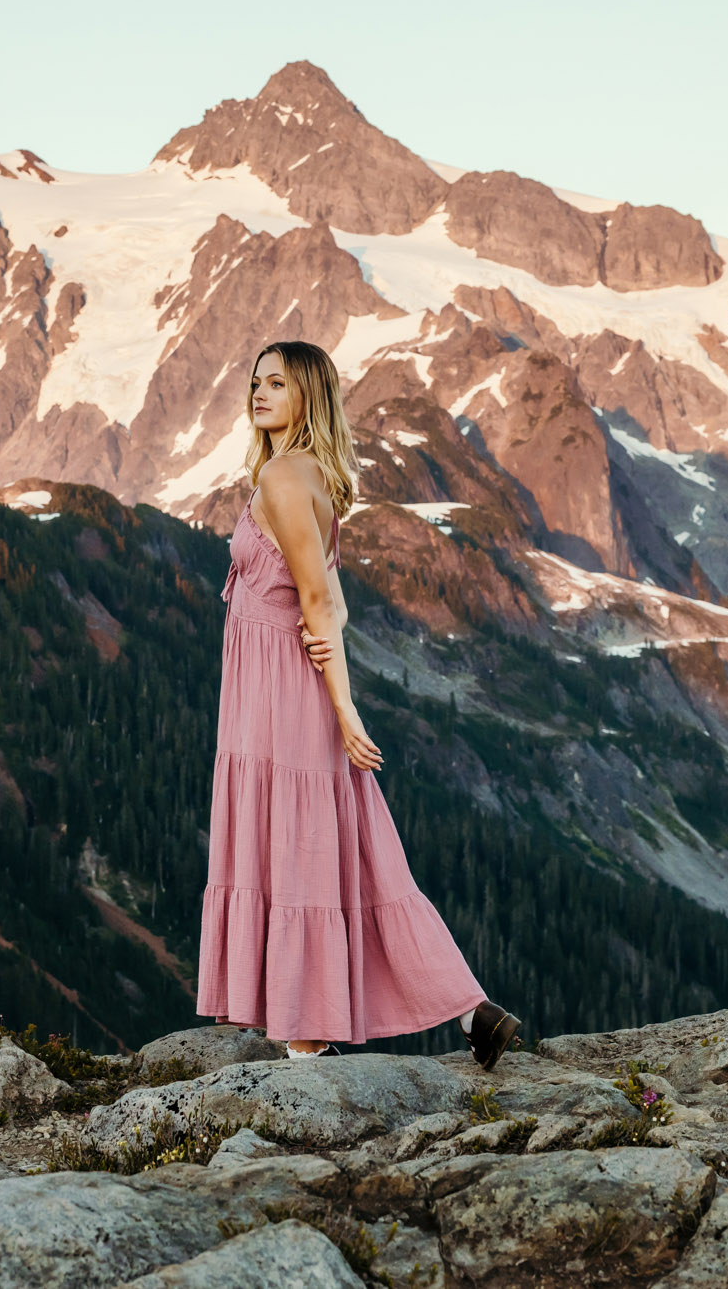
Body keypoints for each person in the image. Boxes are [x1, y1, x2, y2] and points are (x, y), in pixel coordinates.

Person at [194, 339, 522, 1066]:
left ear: (308, 394)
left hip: (280, 697)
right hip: (285, 687)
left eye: (277, 382)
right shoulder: (308, 474)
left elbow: (316, 598)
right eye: (255, 381)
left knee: (299, 852)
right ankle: (474, 1014)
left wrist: (342, 711)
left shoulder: (284, 476)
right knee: (363, 859)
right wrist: (337, 701)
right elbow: (332, 601)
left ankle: (307, 1044)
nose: (259, 392)